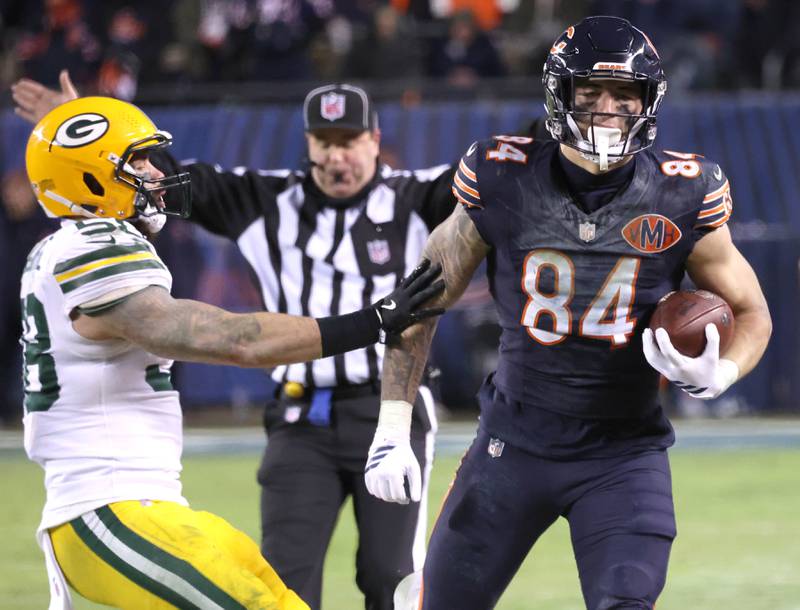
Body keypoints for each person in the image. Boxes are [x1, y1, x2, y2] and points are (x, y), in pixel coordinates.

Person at [365, 16, 772, 610]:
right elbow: (419, 301)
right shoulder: (504, 176)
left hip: (623, 453)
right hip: (513, 444)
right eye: (590, 92)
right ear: (561, 95)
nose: (607, 108)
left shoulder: (683, 191)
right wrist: (392, 428)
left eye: (624, 93)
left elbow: (751, 310)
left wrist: (724, 372)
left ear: (648, 101)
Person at [12, 76, 458, 610]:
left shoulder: (77, 245)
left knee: (366, 579)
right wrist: (372, 321)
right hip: (114, 500)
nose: (157, 175)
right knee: (280, 592)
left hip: (158, 492)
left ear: (374, 138)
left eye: (350, 139)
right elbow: (232, 338)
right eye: (140, 164)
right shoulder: (94, 247)